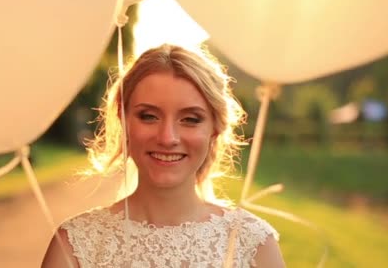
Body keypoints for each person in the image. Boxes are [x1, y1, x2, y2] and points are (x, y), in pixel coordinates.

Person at [42, 44, 285, 267]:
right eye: (149, 116)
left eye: (190, 119)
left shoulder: (253, 243)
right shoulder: (74, 244)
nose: (167, 138)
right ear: (123, 120)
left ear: (215, 128)